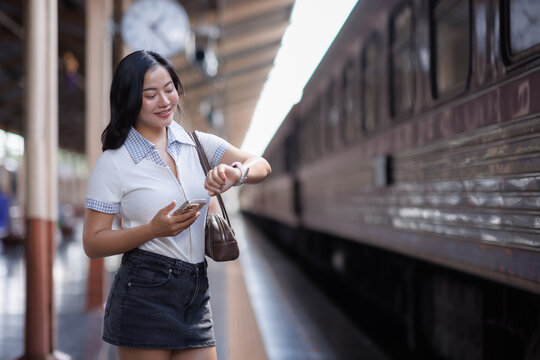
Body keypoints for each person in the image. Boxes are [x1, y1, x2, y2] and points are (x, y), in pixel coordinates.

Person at [83, 50, 271, 360]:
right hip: (143, 292)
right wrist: (152, 230)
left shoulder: (198, 144)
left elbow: (262, 165)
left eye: (169, 88)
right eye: (150, 94)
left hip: (196, 291)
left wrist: (236, 173)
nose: (165, 100)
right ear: (130, 99)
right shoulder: (114, 163)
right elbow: (92, 243)